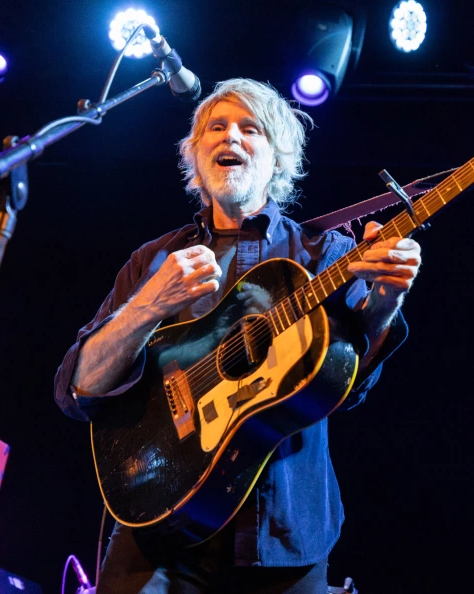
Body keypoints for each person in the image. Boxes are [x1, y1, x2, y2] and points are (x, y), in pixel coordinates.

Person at [54, 78, 422, 593]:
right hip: (157, 526)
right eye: (216, 128)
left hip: (283, 532)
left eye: (251, 129)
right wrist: (148, 305)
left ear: (278, 159)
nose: (231, 138)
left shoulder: (325, 255)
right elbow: (77, 391)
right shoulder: (154, 260)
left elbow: (349, 385)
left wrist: (385, 301)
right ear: (195, 156)